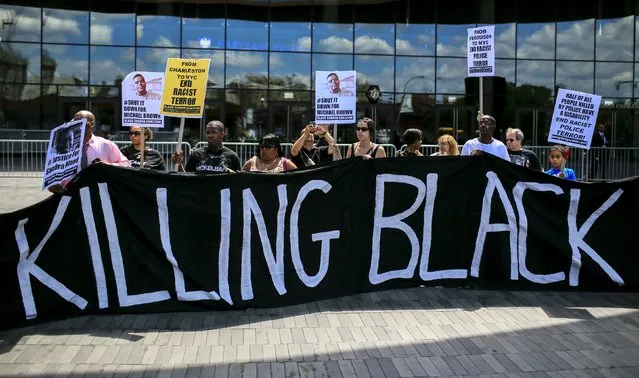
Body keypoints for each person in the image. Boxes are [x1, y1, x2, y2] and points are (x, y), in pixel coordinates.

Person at [48, 110, 131, 193]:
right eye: (75, 122)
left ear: (92, 124)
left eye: (82, 122)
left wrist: (106, 166)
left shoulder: (106, 145)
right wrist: (52, 183)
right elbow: (54, 171)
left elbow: (126, 164)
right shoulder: (63, 147)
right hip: (70, 194)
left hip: (98, 194)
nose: (78, 125)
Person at [172, 120, 241, 173]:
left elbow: (238, 182)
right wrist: (179, 164)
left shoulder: (232, 156)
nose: (210, 135)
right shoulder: (196, 154)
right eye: (208, 132)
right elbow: (186, 178)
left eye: (214, 132)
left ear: (222, 134)